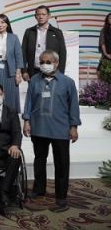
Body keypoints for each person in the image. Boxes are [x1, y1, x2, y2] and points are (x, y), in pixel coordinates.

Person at [23, 50, 81, 208]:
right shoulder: (34, 80)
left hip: (60, 129)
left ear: (56, 63)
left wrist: (74, 127)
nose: (44, 65)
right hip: (38, 128)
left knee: (62, 163)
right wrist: (26, 121)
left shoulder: (68, 82)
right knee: (39, 160)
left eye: (48, 62)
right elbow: (29, 102)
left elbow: (73, 106)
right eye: (42, 62)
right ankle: (39, 189)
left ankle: (61, 195)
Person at [0, 14, 23, 113]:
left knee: (10, 94)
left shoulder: (14, 37)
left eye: (2, 22)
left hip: (9, 69)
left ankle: (11, 118)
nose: (0, 25)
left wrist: (18, 73)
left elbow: (19, 56)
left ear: (7, 24)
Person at [21, 5, 66, 80]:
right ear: (35, 16)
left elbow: (62, 53)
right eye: (38, 14)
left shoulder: (57, 32)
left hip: (52, 71)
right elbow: (23, 53)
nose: (41, 17)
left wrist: (60, 73)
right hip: (33, 71)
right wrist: (24, 71)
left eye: (43, 14)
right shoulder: (29, 32)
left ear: (49, 16)